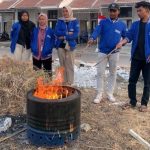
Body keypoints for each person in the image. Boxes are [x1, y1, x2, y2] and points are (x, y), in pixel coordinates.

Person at [88, 3, 127, 104]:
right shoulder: (103, 22)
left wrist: (122, 43)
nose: (112, 12)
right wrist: (92, 38)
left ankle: (110, 93)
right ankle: (99, 94)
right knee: (100, 73)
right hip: (103, 52)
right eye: (111, 11)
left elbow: (126, 37)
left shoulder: (122, 24)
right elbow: (97, 31)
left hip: (114, 52)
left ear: (118, 12)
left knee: (112, 73)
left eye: (114, 11)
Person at [116, 1, 150, 112]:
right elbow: (129, 36)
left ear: (147, 10)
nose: (138, 13)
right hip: (136, 57)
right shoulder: (135, 25)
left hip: (148, 59)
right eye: (137, 11)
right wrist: (122, 42)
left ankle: (144, 103)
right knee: (132, 81)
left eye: (140, 10)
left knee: (147, 82)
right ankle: (132, 101)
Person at [55, 6, 79, 85]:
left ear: (70, 12)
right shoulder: (60, 21)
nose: (65, 13)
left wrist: (65, 36)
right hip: (60, 46)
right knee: (62, 64)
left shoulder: (75, 21)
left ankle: (70, 82)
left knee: (70, 64)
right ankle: (64, 81)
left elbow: (76, 34)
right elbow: (57, 32)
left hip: (70, 46)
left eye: (66, 11)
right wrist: (67, 33)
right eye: (63, 11)